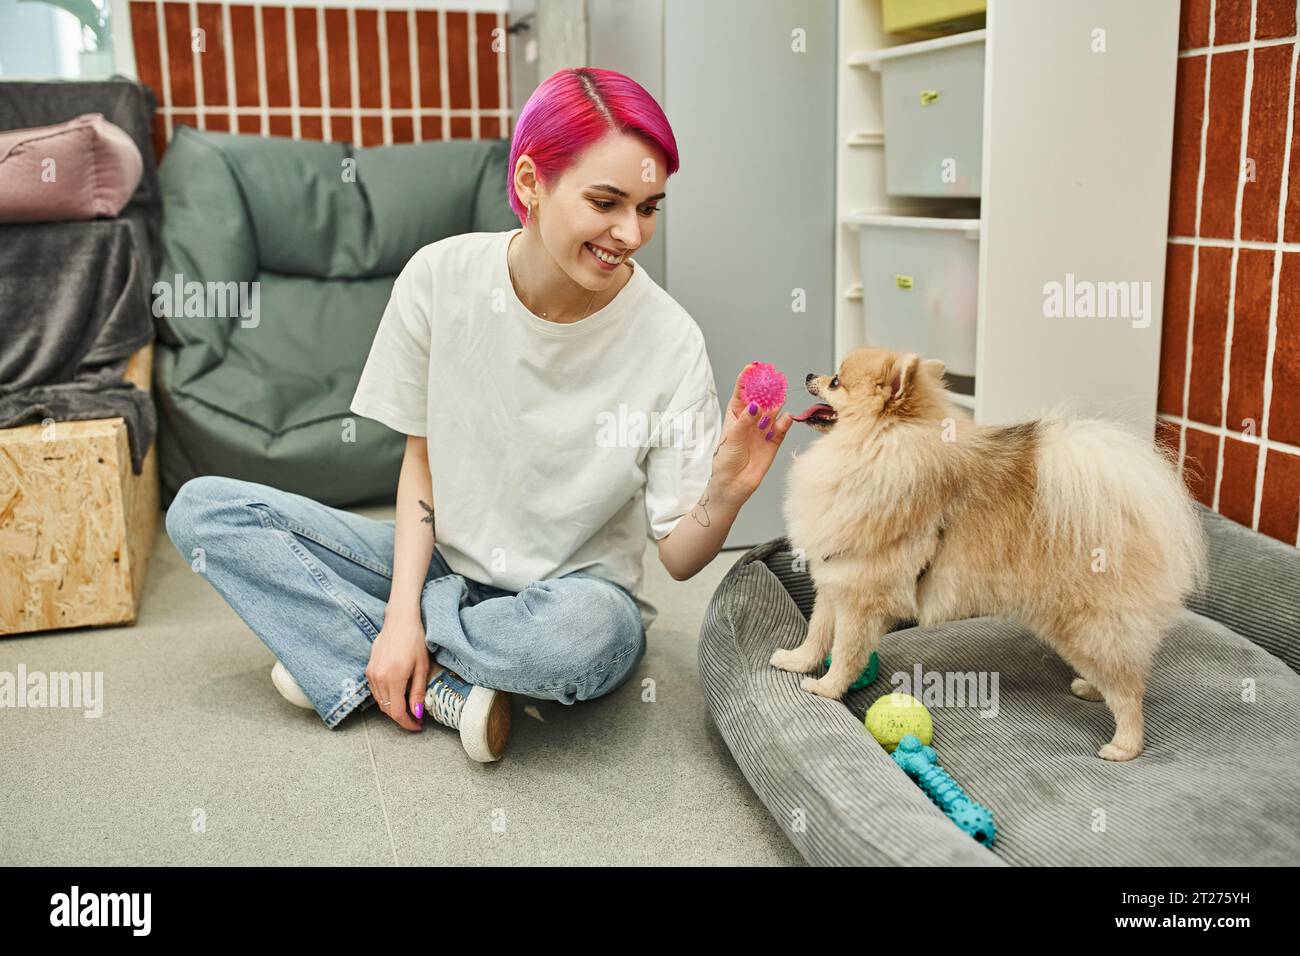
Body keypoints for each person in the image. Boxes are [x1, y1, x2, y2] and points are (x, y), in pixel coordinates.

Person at [163, 67, 794, 762]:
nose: (630, 233)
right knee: (204, 513)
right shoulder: (439, 278)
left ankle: (353, 652)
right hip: (440, 565)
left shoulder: (670, 340)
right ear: (530, 182)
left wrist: (727, 493)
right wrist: (402, 611)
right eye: (607, 201)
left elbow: (677, 557)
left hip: (572, 595)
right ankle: (440, 673)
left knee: (585, 640)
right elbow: (420, 461)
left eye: (648, 207)